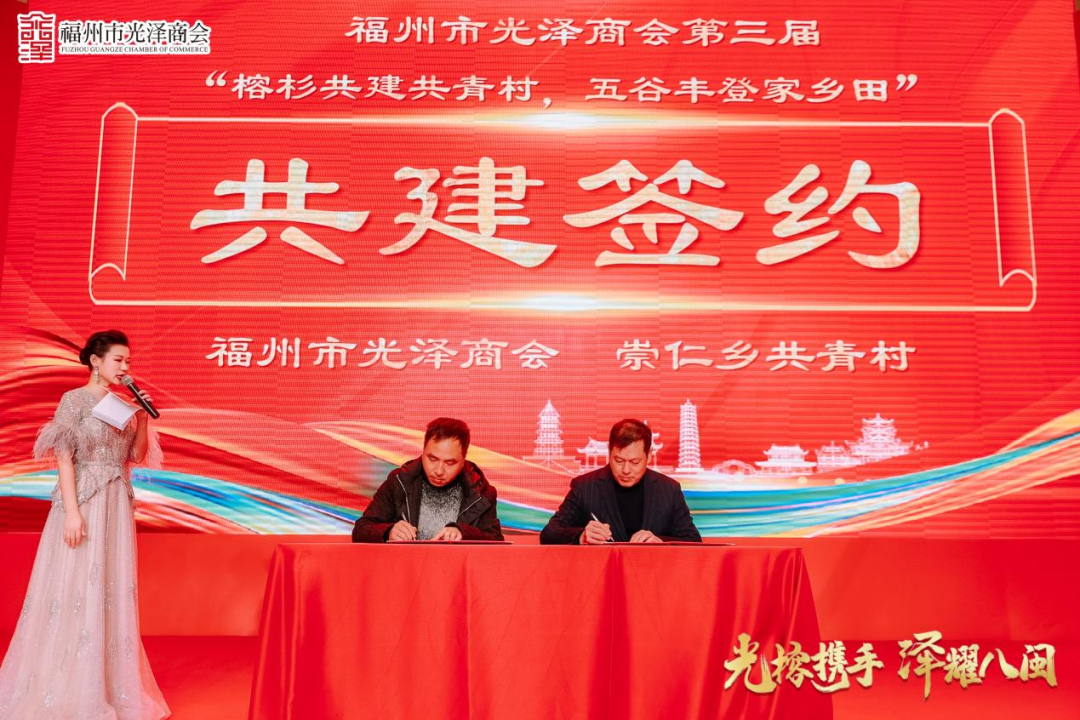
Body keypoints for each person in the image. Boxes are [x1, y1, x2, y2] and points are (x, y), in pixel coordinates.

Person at [0, 330, 170, 719]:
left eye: (128, 361)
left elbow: (136, 456)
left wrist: (143, 420)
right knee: (77, 581)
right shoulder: (73, 400)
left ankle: (105, 683)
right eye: (118, 360)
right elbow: (64, 457)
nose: (125, 368)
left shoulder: (123, 405)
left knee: (110, 585)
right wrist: (72, 512)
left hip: (116, 502)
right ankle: (66, 682)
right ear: (96, 361)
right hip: (85, 500)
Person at [540, 419, 701, 544]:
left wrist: (660, 542)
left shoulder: (669, 490)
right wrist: (582, 536)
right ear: (609, 452)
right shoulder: (585, 487)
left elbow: (693, 540)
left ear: (649, 456)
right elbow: (549, 533)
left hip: (652, 573)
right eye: (618, 460)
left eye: (635, 462)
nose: (625, 470)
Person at [352, 417, 503, 542]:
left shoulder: (481, 492)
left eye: (450, 463)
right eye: (432, 459)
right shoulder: (400, 481)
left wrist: (463, 533)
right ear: (423, 451)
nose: (439, 471)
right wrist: (388, 531)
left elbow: (496, 541)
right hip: (407, 567)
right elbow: (361, 529)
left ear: (463, 460)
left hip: (457, 568)